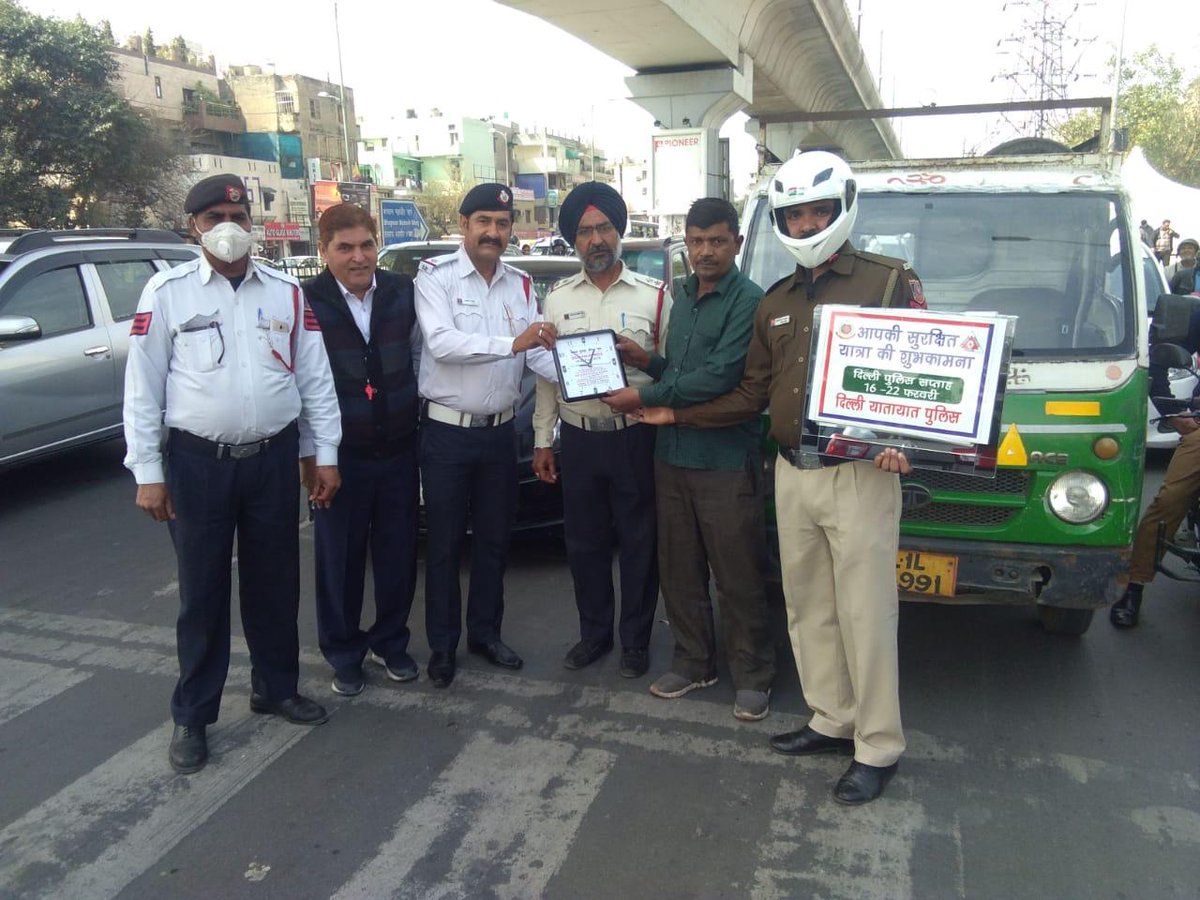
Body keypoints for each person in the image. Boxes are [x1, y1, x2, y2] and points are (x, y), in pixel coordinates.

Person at [637, 151, 924, 805]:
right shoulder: (778, 301)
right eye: (794, 215)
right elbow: (750, 396)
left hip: (859, 477)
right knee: (809, 608)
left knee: (866, 614)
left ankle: (878, 745)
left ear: (842, 208)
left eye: (817, 211)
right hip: (791, 473)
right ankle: (831, 717)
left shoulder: (888, 282)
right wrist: (675, 410)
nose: (806, 223)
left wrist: (903, 440)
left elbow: (921, 376)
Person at [123, 174, 342, 775]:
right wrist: (148, 470)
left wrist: (325, 456)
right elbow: (142, 389)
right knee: (202, 594)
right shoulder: (166, 294)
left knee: (275, 584)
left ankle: (276, 687)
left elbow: (315, 381)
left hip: (272, 461)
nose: (228, 225)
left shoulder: (285, 293)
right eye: (214, 214)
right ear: (193, 226)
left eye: (238, 214)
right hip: (198, 466)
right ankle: (193, 714)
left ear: (252, 222)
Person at [602, 197, 775, 719]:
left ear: (736, 244)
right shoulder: (683, 295)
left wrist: (647, 395)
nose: (706, 252)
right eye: (697, 242)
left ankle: (753, 674)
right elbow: (680, 369)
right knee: (679, 568)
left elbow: (720, 376)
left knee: (738, 572)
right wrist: (647, 361)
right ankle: (694, 661)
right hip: (671, 455)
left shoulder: (750, 300)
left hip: (723, 460)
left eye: (717, 241)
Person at [414, 182, 559, 687]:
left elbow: (536, 352)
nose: (493, 232)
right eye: (483, 223)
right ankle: (441, 646)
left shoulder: (520, 284)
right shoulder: (434, 277)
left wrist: (592, 377)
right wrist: (513, 342)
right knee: (446, 546)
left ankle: (486, 635)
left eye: (501, 224)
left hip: (499, 437)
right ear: (464, 225)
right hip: (447, 435)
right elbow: (442, 343)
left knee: (496, 543)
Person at [532, 181, 669, 680]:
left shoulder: (655, 298)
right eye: (586, 231)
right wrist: (542, 440)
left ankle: (635, 640)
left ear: (619, 231)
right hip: (580, 438)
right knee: (584, 543)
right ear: (574, 239)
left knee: (639, 542)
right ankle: (594, 635)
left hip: (634, 435)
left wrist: (643, 360)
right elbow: (548, 376)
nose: (596, 239)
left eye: (604, 228)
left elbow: (670, 372)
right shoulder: (557, 299)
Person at [302, 202, 421, 696]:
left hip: (397, 450)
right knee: (340, 559)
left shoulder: (401, 292)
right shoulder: (305, 300)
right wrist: (312, 459)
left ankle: (391, 641)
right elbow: (300, 383)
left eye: (366, 245)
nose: (358, 257)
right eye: (344, 248)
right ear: (324, 250)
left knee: (398, 555)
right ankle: (344, 652)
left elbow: (418, 355)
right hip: (338, 457)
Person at [1110, 308, 1200, 628]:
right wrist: (1172, 411)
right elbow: (1158, 359)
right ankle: (1134, 586)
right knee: (1170, 499)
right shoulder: (1195, 315)